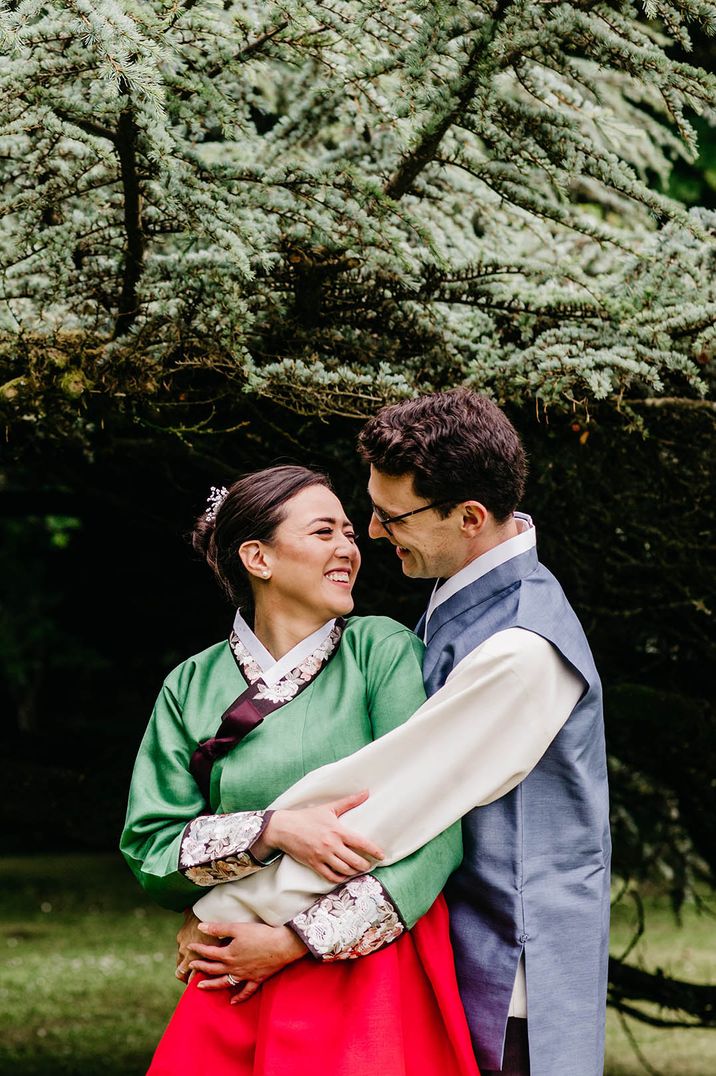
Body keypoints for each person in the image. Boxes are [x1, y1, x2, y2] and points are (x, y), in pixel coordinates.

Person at [186, 391, 611, 1076]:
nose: (375, 535)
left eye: (391, 517)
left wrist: (240, 910)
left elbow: (387, 800)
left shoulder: (522, 649)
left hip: (509, 980)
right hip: (447, 954)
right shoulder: (467, 600)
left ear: (470, 517)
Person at [120, 464, 480, 1076]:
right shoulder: (190, 685)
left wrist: (293, 942)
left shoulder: (380, 651)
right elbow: (150, 848)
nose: (349, 547)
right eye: (323, 532)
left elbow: (434, 824)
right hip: (237, 976)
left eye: (347, 530)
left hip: (369, 970)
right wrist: (274, 830)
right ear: (258, 557)